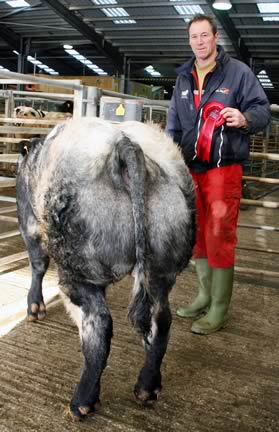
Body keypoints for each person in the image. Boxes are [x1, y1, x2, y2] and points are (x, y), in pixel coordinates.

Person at [166, 14, 271, 335]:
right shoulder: (183, 77)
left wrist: (244, 117)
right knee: (196, 233)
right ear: (190, 41)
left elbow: (262, 110)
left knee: (219, 235)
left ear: (215, 38)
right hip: (190, 168)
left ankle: (219, 309)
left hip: (223, 169)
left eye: (204, 35)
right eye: (193, 37)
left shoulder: (238, 73)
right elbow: (173, 123)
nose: (199, 41)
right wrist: (169, 159)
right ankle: (203, 295)